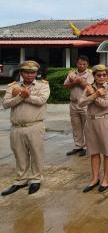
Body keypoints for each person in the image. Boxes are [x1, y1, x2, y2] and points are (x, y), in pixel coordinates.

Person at [1, 61, 50, 196]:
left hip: (34, 126)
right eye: (26, 72)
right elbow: (5, 104)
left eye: (32, 72)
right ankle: (21, 180)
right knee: (19, 155)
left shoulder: (43, 86)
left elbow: (41, 100)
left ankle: (35, 179)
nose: (29, 75)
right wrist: (21, 96)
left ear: (36, 73)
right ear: (21, 73)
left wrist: (23, 94)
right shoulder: (13, 86)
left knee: (36, 154)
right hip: (16, 127)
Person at [78, 65, 108, 193]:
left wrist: (92, 96)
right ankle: (95, 178)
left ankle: (105, 178)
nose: (101, 77)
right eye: (98, 75)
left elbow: (105, 104)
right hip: (91, 121)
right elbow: (81, 103)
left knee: (107, 151)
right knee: (93, 152)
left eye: (104, 75)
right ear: (94, 76)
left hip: (104, 120)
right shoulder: (89, 86)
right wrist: (94, 95)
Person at [64, 56, 94, 157]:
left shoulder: (90, 74)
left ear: (87, 64)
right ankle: (78, 146)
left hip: (85, 104)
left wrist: (77, 81)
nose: (82, 66)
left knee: (87, 126)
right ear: (77, 64)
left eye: (84, 64)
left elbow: (89, 87)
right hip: (73, 103)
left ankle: (86, 147)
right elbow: (66, 86)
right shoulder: (71, 73)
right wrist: (75, 81)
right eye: (80, 64)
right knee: (76, 126)